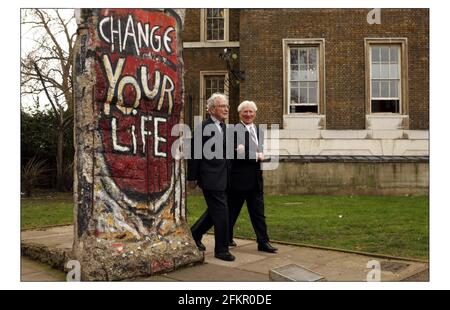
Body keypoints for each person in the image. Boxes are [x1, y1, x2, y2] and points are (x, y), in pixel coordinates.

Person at [187, 93, 235, 261]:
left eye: (227, 106)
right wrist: (191, 178)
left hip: (224, 178)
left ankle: (194, 234)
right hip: (211, 178)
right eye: (223, 106)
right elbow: (194, 153)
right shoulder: (203, 127)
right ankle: (221, 250)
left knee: (214, 212)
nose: (226, 109)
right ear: (212, 109)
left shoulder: (223, 127)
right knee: (222, 213)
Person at [228, 100, 278, 253]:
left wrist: (256, 155)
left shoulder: (259, 130)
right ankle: (226, 238)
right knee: (232, 212)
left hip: (256, 180)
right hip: (239, 180)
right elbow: (235, 153)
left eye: (251, 111)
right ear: (240, 114)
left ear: (255, 113)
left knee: (258, 213)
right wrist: (256, 156)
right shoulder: (234, 130)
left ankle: (263, 242)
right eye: (245, 112)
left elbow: (255, 152)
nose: (248, 114)